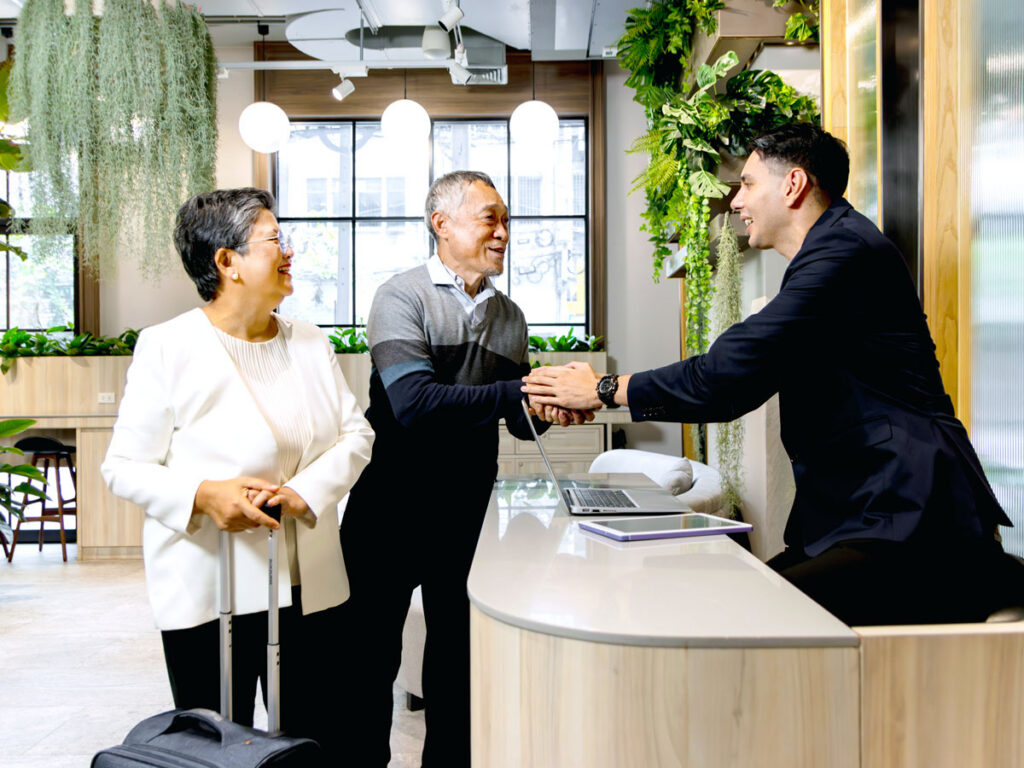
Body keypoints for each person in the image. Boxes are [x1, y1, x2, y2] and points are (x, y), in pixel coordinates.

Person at [523, 124, 1024, 626]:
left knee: (748, 620)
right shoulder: (828, 254)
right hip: (865, 516)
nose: (736, 201)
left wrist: (603, 389)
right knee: (734, 601)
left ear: (793, 185)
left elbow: (726, 375)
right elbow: (737, 383)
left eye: (747, 183)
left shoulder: (844, 254)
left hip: (913, 520)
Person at [102, 188, 374, 762]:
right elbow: (123, 467)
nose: (290, 253)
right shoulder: (168, 346)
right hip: (212, 589)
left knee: (317, 740)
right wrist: (201, 494)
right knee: (218, 749)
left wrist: (303, 492)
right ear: (226, 261)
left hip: (311, 586)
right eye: (276, 240)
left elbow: (357, 435)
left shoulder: (309, 341)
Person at [337, 170, 588, 767]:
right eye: (490, 218)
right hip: (389, 510)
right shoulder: (400, 297)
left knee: (457, 663)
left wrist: (553, 407)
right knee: (369, 664)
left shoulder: (511, 316)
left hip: (466, 514)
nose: (503, 232)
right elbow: (415, 405)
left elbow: (520, 421)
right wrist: (519, 393)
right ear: (441, 223)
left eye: (507, 221)